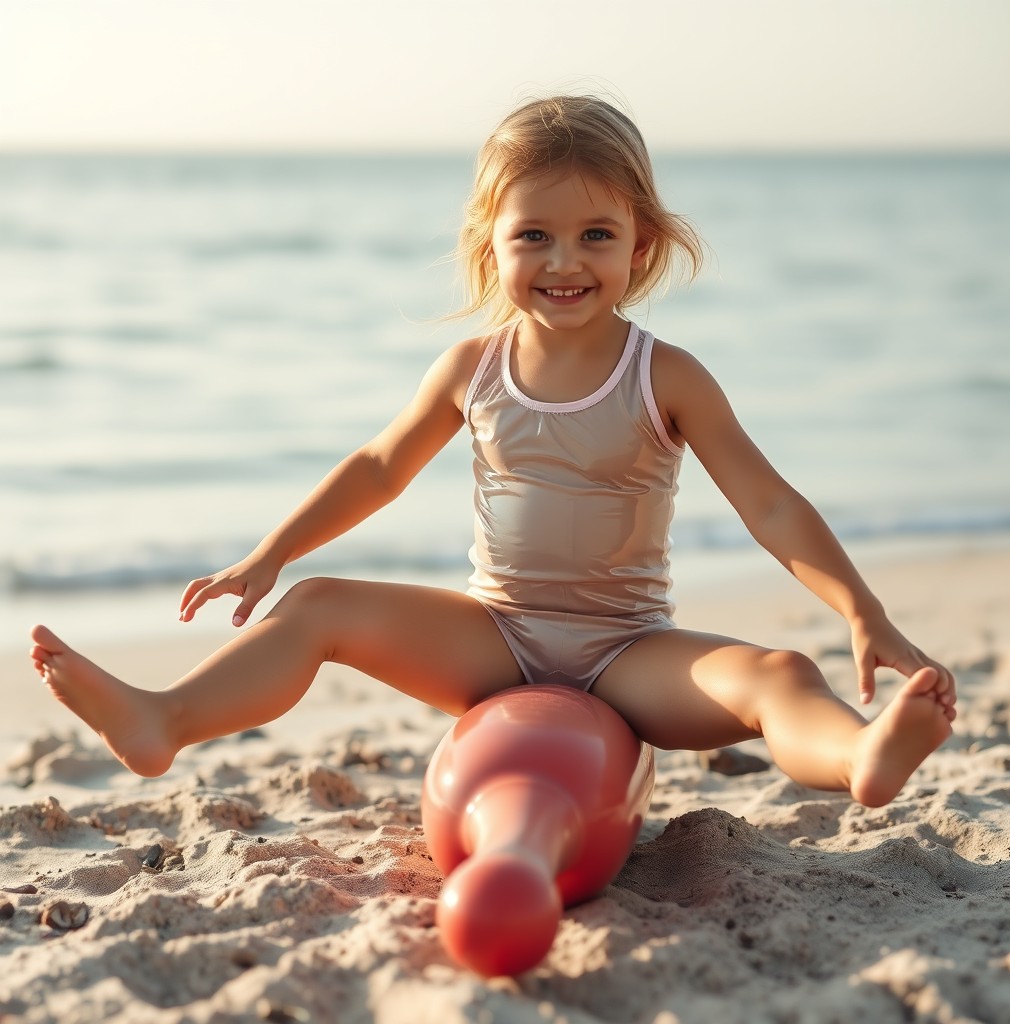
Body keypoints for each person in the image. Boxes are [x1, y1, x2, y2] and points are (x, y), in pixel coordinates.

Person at [29, 95, 956, 808]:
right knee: (315, 607)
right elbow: (380, 466)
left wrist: (861, 609)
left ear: (643, 244)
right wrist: (272, 555)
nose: (565, 261)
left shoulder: (665, 375)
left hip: (627, 650)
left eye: (596, 234)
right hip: (495, 640)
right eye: (534, 236)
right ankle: (164, 719)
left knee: (780, 676)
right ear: (491, 244)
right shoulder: (472, 368)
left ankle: (860, 756)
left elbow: (773, 506)